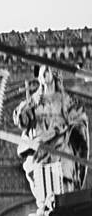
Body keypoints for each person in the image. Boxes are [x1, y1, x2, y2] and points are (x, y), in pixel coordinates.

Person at [14, 64, 89, 202]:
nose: (44, 73)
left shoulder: (67, 100)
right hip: (41, 150)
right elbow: (22, 122)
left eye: (48, 70)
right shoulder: (33, 102)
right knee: (44, 191)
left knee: (64, 187)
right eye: (42, 72)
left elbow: (80, 120)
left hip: (62, 149)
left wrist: (66, 126)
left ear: (54, 74)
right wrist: (23, 110)